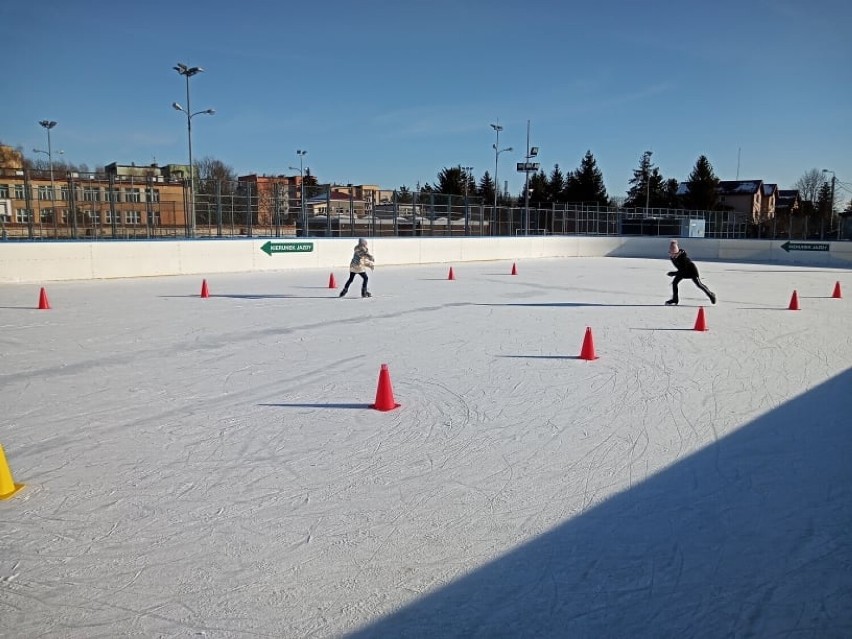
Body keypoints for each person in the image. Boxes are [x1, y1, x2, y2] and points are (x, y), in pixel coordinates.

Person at [665, 239, 716, 305]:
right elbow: (681, 270)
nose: (671, 255)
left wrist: (674, 273)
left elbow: (683, 270)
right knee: (675, 283)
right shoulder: (673, 258)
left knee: (699, 284)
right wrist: (675, 273)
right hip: (682, 271)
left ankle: (711, 295)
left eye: (672, 254)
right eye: (670, 253)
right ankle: (675, 299)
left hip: (691, 271)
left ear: (676, 253)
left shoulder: (682, 258)